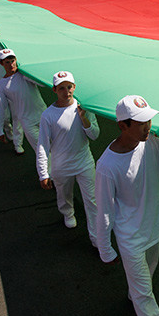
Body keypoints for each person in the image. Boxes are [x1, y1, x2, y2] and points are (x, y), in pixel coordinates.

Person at [95, 95, 159, 316]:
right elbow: (103, 210)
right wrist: (105, 249)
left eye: (149, 120)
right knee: (145, 296)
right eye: (141, 123)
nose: (147, 127)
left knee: (146, 278)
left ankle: (134, 294)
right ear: (123, 125)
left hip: (155, 227)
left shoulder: (153, 141)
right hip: (130, 238)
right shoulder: (106, 166)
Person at [36, 71, 99, 245]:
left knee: (92, 200)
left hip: (84, 161)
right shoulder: (48, 115)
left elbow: (94, 135)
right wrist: (43, 173)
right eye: (62, 88)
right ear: (55, 90)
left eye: (69, 87)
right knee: (64, 195)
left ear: (74, 87)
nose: (67, 91)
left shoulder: (84, 107)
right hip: (60, 165)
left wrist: (84, 119)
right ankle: (68, 213)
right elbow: (43, 145)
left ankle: (96, 238)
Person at [0, 49, 47, 155]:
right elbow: (1, 107)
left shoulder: (25, 74)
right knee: (41, 150)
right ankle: (48, 171)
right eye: (7, 62)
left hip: (44, 115)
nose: (11, 64)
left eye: (12, 61)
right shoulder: (2, 85)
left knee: (55, 145)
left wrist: (30, 72)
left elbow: (42, 83)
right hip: (27, 122)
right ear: (1, 63)